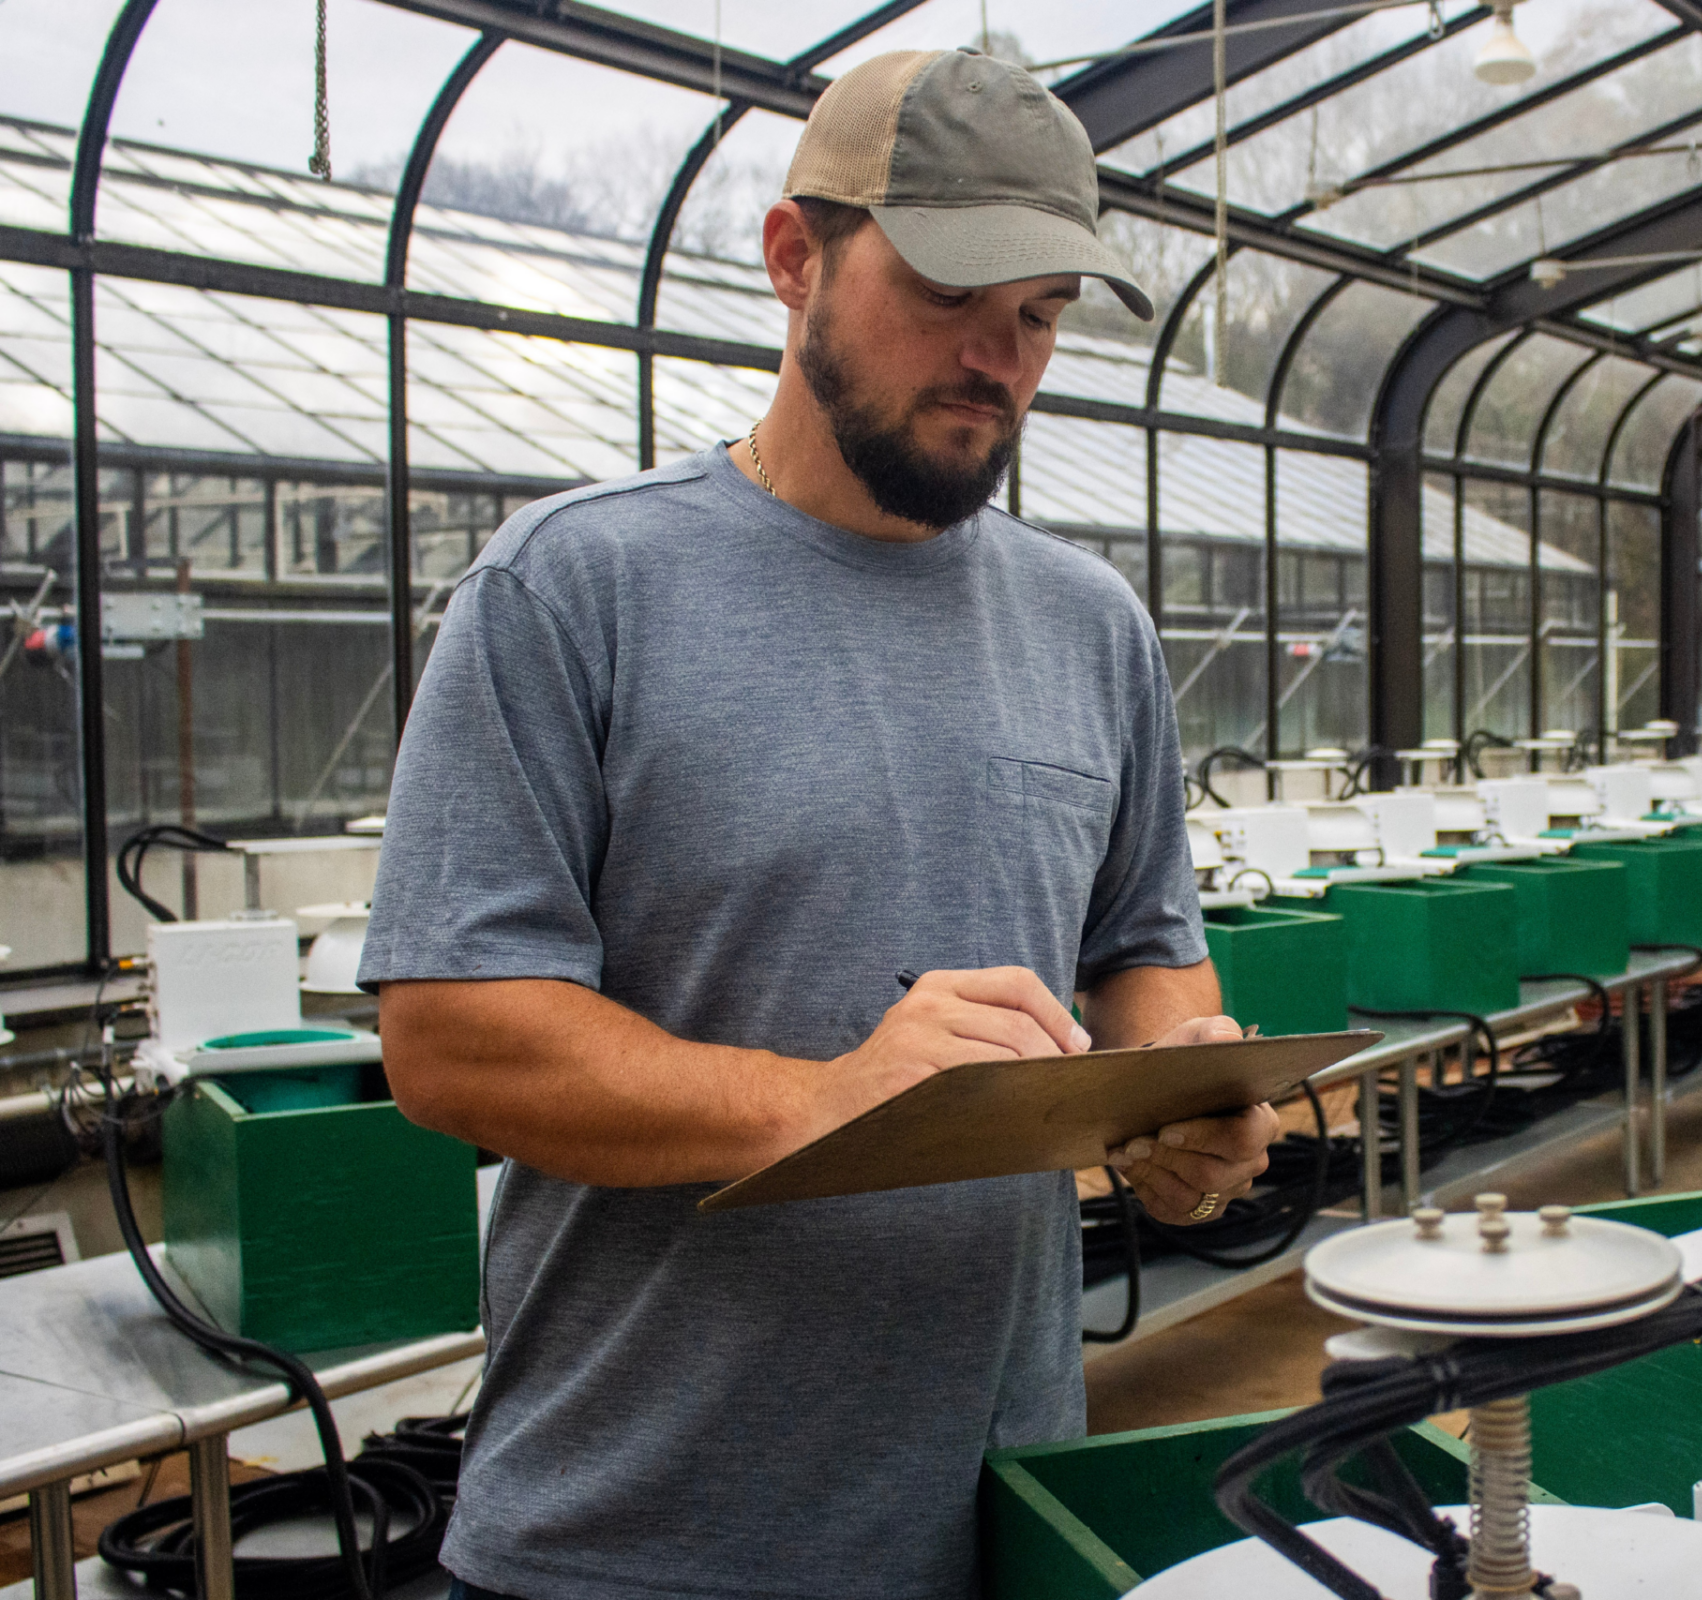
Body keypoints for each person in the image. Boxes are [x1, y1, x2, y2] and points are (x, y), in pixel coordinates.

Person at [361, 48, 1278, 1600]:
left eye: (1041, 316)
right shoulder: (575, 591)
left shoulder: (1089, 626)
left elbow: (1144, 950)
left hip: (998, 1519)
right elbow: (450, 1036)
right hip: (632, 1542)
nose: (1001, 355)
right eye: (951, 294)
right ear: (796, 258)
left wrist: (1184, 1098)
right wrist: (827, 1102)